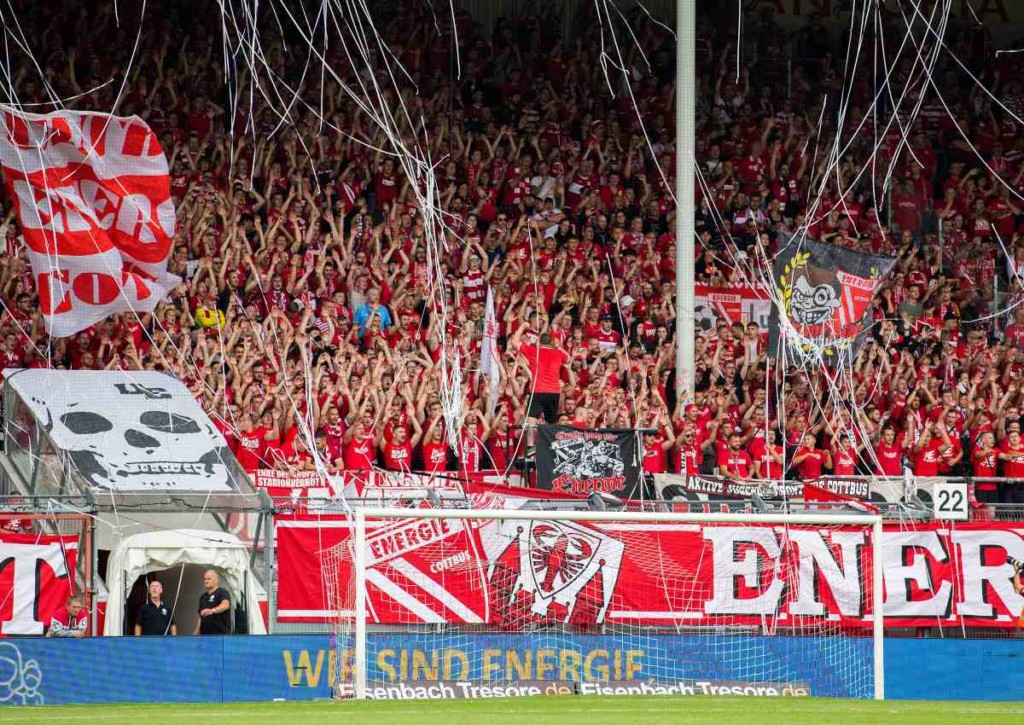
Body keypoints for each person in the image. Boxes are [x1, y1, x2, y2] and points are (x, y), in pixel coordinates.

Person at [510, 321, 570, 425]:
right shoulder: (558, 353)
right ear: (551, 342)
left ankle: (531, 442)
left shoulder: (534, 351)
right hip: (554, 392)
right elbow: (569, 359)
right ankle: (548, 441)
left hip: (538, 391)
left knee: (531, 422)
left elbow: (514, 342)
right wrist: (558, 347)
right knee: (550, 424)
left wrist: (523, 326)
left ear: (539, 342)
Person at [195, 570, 232, 635]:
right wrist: (196, 633)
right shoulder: (203, 597)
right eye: (205, 579)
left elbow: (226, 604)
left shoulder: (222, 592)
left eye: (209, 579)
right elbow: (201, 617)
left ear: (216, 580)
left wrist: (213, 610)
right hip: (205, 636)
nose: (206, 581)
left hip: (221, 636)